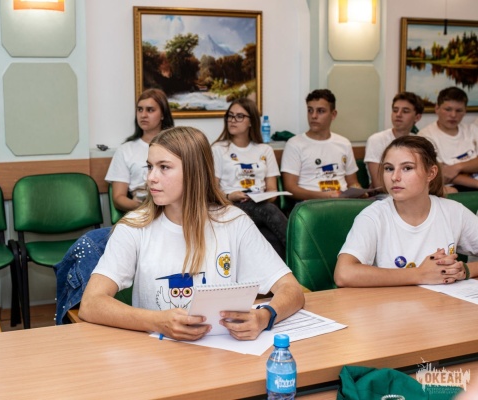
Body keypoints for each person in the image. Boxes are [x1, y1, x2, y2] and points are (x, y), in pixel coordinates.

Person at [79, 126, 304, 341]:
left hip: (221, 353)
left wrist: (265, 317)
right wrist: (157, 321)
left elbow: (292, 290)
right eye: (149, 166)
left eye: (164, 167)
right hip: (156, 353)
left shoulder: (234, 222)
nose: (150, 177)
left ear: (194, 172)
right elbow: (91, 303)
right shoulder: (133, 227)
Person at [334, 136, 478, 288]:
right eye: (389, 168)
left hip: (441, 301)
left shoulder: (454, 211)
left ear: (431, 173)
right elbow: (344, 274)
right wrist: (420, 274)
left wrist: (465, 270)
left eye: (407, 168)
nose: (395, 177)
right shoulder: (373, 216)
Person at [211, 98, 288, 259]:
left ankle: (290, 272)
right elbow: (211, 190)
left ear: (251, 121)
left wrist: (264, 196)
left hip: (259, 203)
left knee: (271, 238)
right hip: (230, 205)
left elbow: (272, 190)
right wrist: (230, 196)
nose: (233, 120)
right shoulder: (218, 149)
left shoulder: (265, 150)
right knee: (269, 210)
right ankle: (304, 253)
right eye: (230, 115)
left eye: (239, 116)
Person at [281, 89, 361, 200]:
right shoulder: (295, 144)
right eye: (310, 110)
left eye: (320, 111)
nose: (313, 116)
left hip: (342, 201)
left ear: (333, 115)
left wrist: (359, 191)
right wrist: (327, 196)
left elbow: (352, 182)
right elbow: (290, 188)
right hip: (310, 204)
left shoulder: (344, 143)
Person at [105, 88, 174, 212]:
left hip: (174, 210)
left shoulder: (177, 146)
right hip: (142, 210)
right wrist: (143, 207)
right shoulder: (125, 150)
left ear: (163, 114)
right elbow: (118, 198)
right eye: (140, 109)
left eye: (150, 110)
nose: (143, 115)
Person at [418, 87, 478, 191]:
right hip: (452, 188)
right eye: (448, 109)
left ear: (465, 111)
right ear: (437, 109)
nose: (453, 115)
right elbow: (441, 173)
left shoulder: (472, 130)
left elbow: (449, 172)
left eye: (459, 110)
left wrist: (457, 167)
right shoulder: (425, 136)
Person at [364, 92, 424, 189]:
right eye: (395, 110)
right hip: (385, 195)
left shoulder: (419, 142)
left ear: (417, 117)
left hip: (415, 193)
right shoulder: (377, 140)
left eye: (405, 111)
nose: (398, 114)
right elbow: (379, 184)